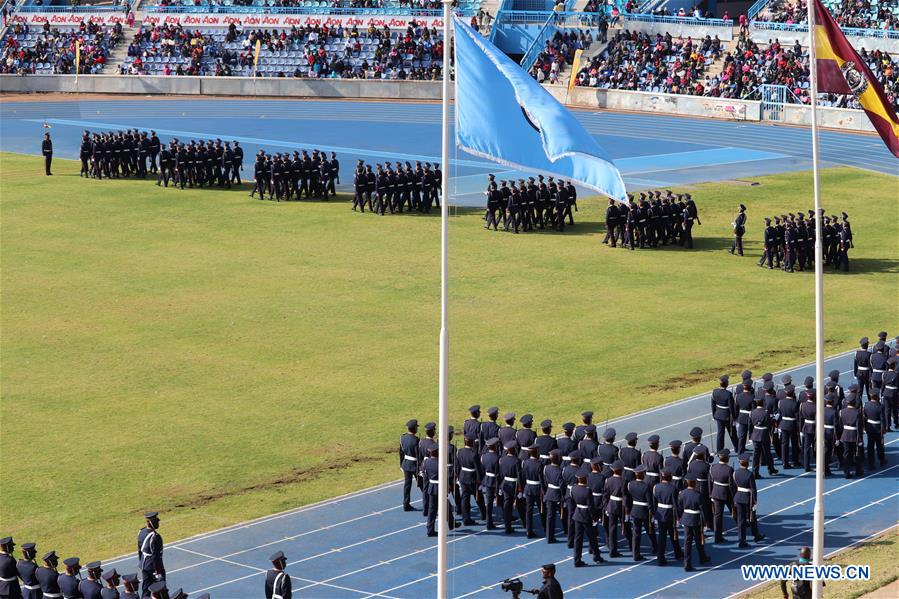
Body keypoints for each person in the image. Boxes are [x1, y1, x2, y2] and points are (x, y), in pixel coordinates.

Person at [571, 464, 604, 567]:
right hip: (586, 516)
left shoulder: (574, 488)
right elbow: (590, 506)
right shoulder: (587, 490)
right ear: (585, 479)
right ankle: (596, 556)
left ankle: (577, 560)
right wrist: (594, 518)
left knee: (578, 539)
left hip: (577, 515)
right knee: (592, 538)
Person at [678, 474, 710, 571]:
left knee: (687, 542)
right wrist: (705, 522)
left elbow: (679, 508)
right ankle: (702, 557)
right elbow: (703, 510)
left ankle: (687, 563)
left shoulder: (682, 493)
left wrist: (680, 518)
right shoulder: (698, 495)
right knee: (698, 540)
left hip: (686, 518)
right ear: (695, 483)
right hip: (696, 519)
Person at [733, 453, 764, 548]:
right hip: (748, 498)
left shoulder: (735, 472)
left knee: (741, 520)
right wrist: (755, 501)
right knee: (752, 518)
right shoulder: (749, 474)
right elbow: (753, 489)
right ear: (747, 464)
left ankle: (741, 540)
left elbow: (734, 486)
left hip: (738, 497)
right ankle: (756, 535)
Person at [627, 464, 656, 561]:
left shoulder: (630, 484)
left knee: (636, 534)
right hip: (645, 512)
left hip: (635, 511)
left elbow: (629, 498)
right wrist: (652, 513)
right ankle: (655, 548)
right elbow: (649, 502)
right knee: (650, 531)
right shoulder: (646, 486)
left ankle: (636, 554)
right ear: (643, 474)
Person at [653, 470, 683, 565]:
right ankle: (677, 553)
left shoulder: (656, 487)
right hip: (670, 514)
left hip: (660, 513)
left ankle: (660, 557)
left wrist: (654, 514)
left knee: (662, 537)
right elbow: (675, 504)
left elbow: (654, 503)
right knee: (673, 534)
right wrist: (678, 517)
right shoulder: (673, 488)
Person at [137, 512, 165, 597]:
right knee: (161, 589)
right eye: (155, 521)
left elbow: (139, 550)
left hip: (144, 565)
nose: (157, 523)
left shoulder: (141, 532)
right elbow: (155, 556)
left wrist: (141, 563)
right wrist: (158, 571)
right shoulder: (155, 536)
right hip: (153, 567)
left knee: (146, 588)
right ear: (149, 522)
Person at [840, 395, 864, 478]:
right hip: (854, 435)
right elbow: (859, 427)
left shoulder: (842, 411)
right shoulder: (857, 412)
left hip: (845, 434)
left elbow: (840, 425)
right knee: (857, 454)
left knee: (846, 454)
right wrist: (860, 439)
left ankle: (846, 472)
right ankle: (858, 471)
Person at [712, 375, 738, 452]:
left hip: (718, 415)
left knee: (720, 433)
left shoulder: (715, 392)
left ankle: (719, 450)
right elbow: (731, 408)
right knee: (732, 433)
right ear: (726, 384)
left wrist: (714, 415)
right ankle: (737, 448)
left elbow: (713, 405)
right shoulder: (728, 394)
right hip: (727, 416)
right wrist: (734, 418)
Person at [400, 419, 421, 512]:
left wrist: (401, 464)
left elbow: (401, 452)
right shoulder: (416, 440)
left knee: (407, 485)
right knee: (422, 485)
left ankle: (406, 504)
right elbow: (419, 455)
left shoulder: (402, 438)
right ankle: (429, 503)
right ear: (414, 429)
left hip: (406, 464)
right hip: (415, 465)